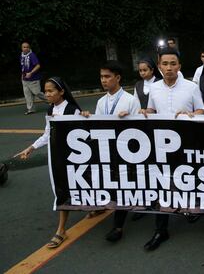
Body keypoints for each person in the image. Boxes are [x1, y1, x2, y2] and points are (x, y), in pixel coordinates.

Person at [140, 47, 204, 251]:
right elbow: (151, 109)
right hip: (160, 145)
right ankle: (161, 229)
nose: (169, 68)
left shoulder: (191, 87)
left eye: (173, 64)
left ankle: (191, 209)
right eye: (165, 64)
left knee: (187, 179)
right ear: (158, 66)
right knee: (162, 185)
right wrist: (144, 111)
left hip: (186, 143)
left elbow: (202, 110)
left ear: (179, 66)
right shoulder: (155, 88)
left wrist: (191, 113)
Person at [15, 77, 82, 248]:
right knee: (62, 190)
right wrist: (31, 148)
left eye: (51, 90)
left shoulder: (72, 110)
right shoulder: (50, 110)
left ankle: (62, 230)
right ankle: (62, 229)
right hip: (58, 159)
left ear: (61, 91)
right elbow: (47, 134)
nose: (47, 94)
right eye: (46, 91)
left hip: (74, 159)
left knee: (75, 187)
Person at [81, 60, 140, 242]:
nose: (103, 80)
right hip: (107, 151)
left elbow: (140, 129)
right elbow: (98, 126)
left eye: (107, 76)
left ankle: (118, 226)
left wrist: (128, 119)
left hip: (126, 152)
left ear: (118, 77)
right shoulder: (101, 102)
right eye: (101, 77)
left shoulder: (131, 100)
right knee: (113, 183)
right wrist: (86, 118)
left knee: (123, 185)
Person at [20, 42, 46, 115]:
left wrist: (31, 73)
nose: (26, 48)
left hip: (33, 79)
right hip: (25, 79)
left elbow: (38, 66)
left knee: (37, 93)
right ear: (21, 48)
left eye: (27, 47)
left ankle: (52, 102)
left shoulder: (32, 55)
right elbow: (23, 66)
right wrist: (22, 75)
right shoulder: (21, 56)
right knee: (27, 95)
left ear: (29, 48)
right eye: (24, 47)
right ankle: (30, 109)